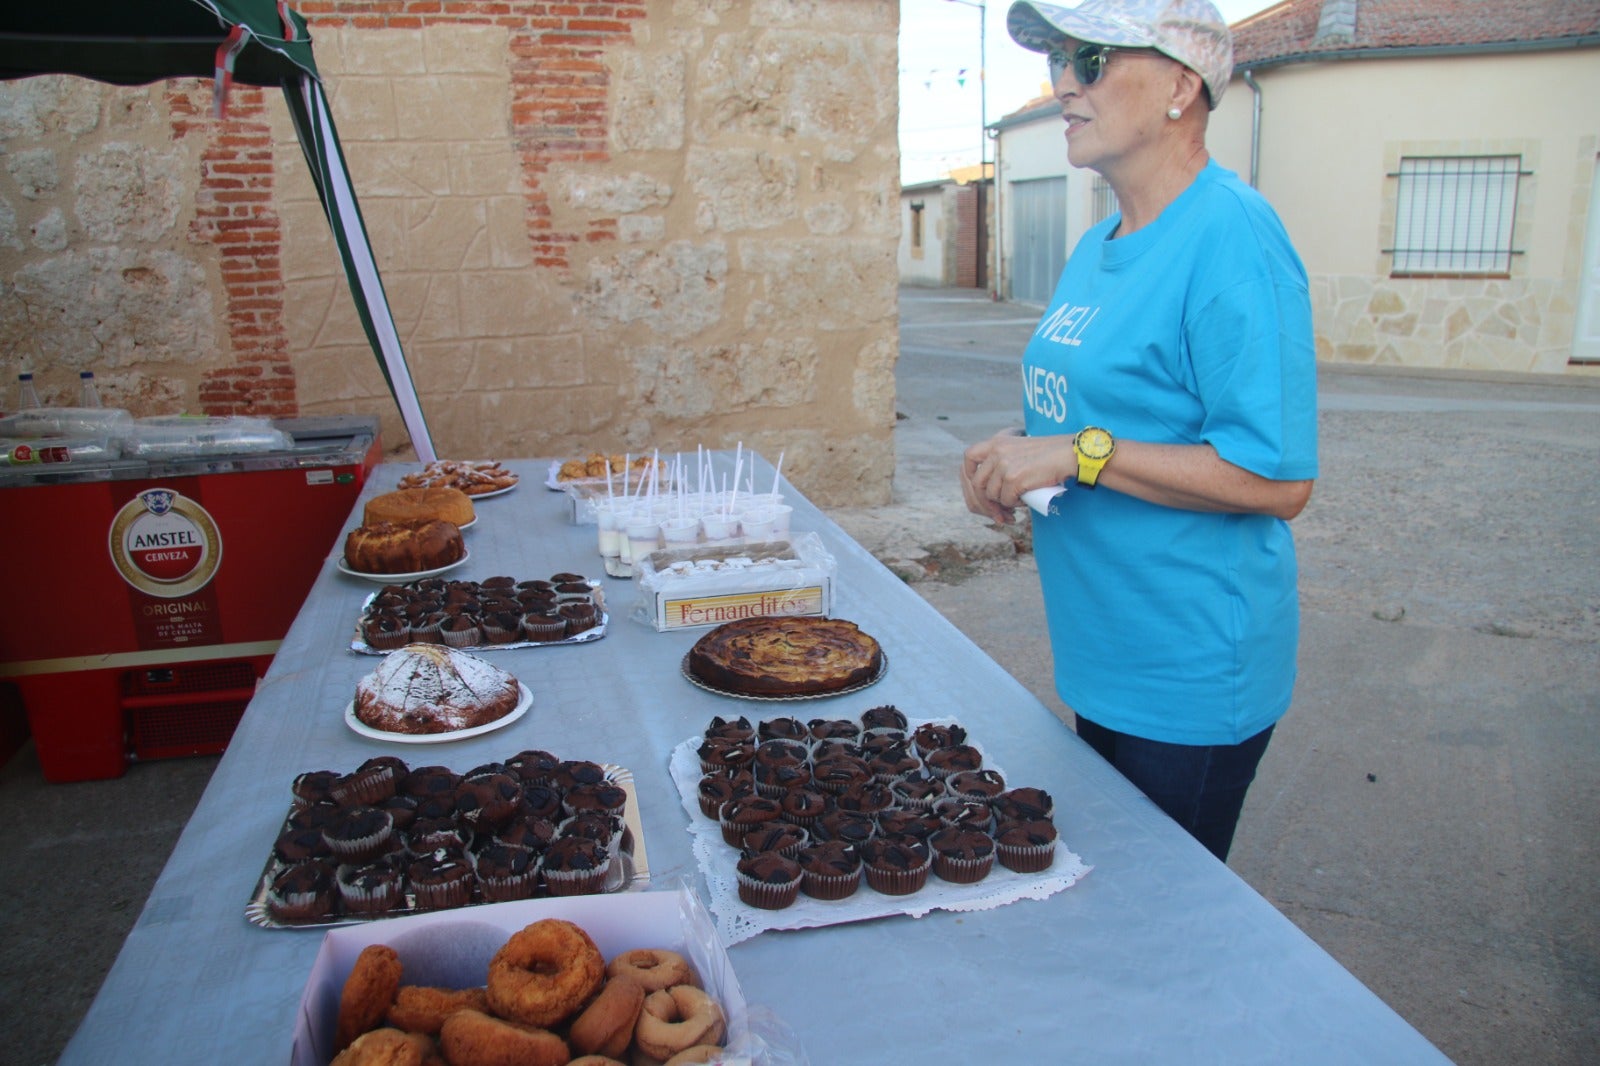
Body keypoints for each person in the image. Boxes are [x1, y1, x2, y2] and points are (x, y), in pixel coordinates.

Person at [960, 0, 1319, 861]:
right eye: (1056, 63)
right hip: (1105, 656)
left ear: (1180, 86)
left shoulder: (1232, 236)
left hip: (1187, 673)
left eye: (1089, 59)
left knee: (1156, 942)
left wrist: (1079, 455)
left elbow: (1277, 479)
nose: (1062, 86)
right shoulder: (1099, 245)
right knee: (1109, 911)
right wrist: (1017, 453)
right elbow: (1101, 421)